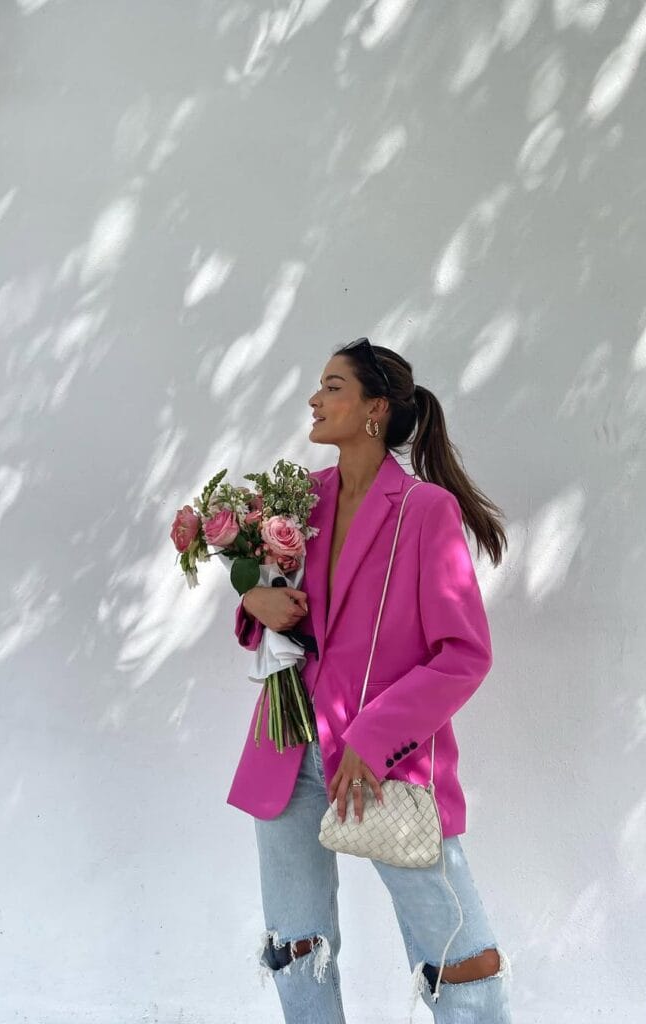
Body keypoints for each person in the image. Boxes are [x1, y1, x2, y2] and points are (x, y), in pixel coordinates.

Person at [227, 337, 512, 1022]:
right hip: (286, 747)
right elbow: (283, 617)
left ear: (375, 408)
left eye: (332, 387)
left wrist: (374, 736)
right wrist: (253, 602)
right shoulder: (299, 503)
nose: (314, 399)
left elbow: (464, 653)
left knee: (457, 950)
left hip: (381, 763)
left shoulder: (424, 509)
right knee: (295, 944)